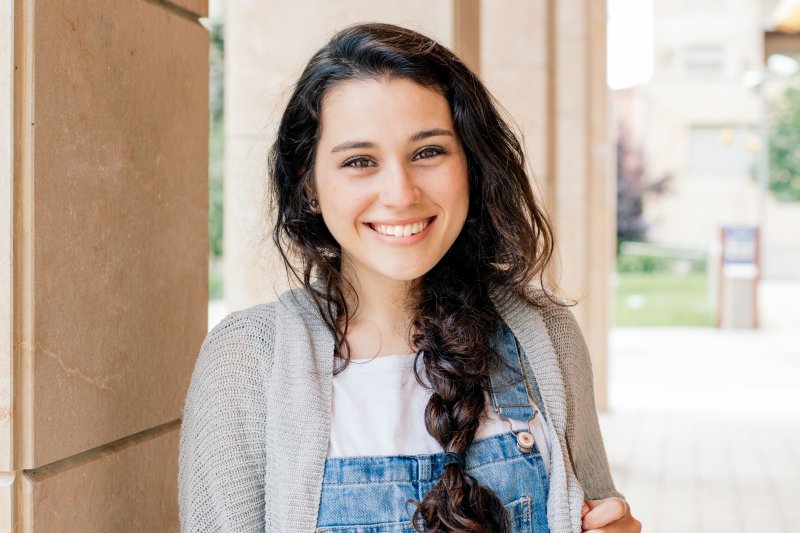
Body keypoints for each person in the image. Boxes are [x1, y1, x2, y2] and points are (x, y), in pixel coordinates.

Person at [178, 22, 641, 533]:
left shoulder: (546, 337)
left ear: (471, 163)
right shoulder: (247, 362)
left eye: (428, 152)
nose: (400, 193)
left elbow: (600, 506)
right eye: (359, 161)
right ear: (309, 185)